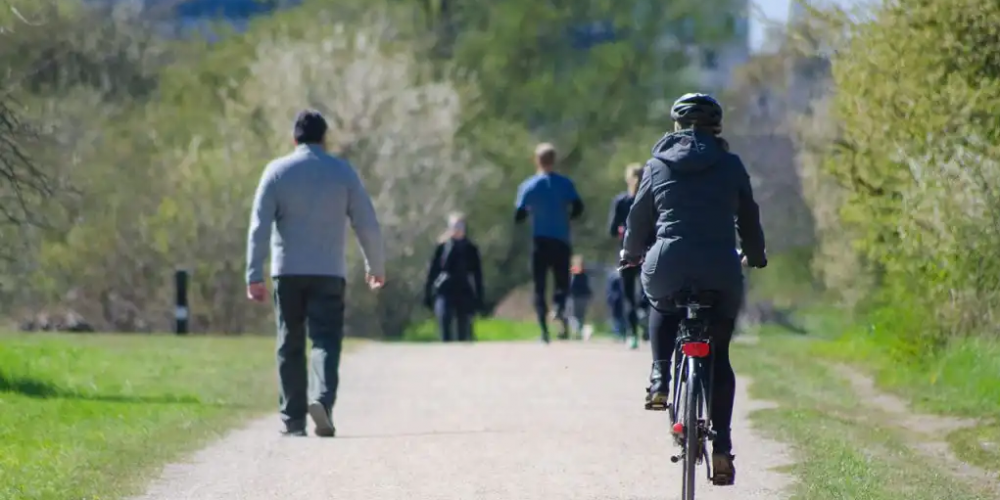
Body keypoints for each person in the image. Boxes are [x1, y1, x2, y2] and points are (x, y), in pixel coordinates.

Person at [619, 93, 767, 485]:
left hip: (668, 262)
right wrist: (756, 254)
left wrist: (631, 254)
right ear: (717, 128)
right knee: (720, 354)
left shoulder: (656, 164)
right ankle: (722, 448)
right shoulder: (731, 164)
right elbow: (749, 217)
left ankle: (660, 378)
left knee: (661, 302)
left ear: (676, 127)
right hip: (720, 267)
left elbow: (637, 219)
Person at [245, 109, 385, 438]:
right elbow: (366, 222)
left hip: (288, 271)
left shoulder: (277, 171)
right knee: (325, 340)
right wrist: (375, 265)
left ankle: (293, 420)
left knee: (289, 342)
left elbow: (259, 226)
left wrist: (254, 274)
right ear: (324, 139)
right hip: (328, 272)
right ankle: (322, 400)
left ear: (294, 139)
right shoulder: (342, 172)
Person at [514, 142, 584, 343]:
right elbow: (578, 207)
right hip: (561, 239)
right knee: (562, 282)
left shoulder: (528, 186)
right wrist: (566, 217)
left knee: (540, 286)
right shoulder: (565, 184)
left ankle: (544, 332)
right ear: (554, 160)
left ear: (536, 161)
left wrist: (531, 212)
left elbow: (518, 215)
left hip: (539, 241)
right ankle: (559, 307)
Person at [607, 163, 650, 349]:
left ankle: (632, 333)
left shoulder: (621, 201)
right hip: (648, 251)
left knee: (628, 295)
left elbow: (611, 229)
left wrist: (621, 231)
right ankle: (645, 315)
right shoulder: (651, 200)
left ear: (627, 179)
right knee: (648, 290)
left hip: (626, 252)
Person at [423, 212, 484, 342]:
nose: (458, 229)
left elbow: (477, 274)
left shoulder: (470, 248)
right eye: (455, 226)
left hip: (464, 289)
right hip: (445, 289)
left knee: (464, 328)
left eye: (460, 226)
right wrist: (428, 293)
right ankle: (446, 352)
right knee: (444, 319)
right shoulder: (442, 247)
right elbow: (433, 271)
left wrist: (479, 297)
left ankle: (462, 353)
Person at [567, 255, 593, 339]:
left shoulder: (573, 273)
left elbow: (571, 285)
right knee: (580, 316)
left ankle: (578, 331)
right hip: (584, 296)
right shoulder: (584, 274)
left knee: (573, 316)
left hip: (575, 297)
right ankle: (580, 332)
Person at [604, 269, 627, 341]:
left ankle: (620, 333)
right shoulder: (615, 277)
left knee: (619, 317)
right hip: (616, 300)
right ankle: (619, 333)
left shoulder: (614, 277)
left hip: (617, 300)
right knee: (618, 317)